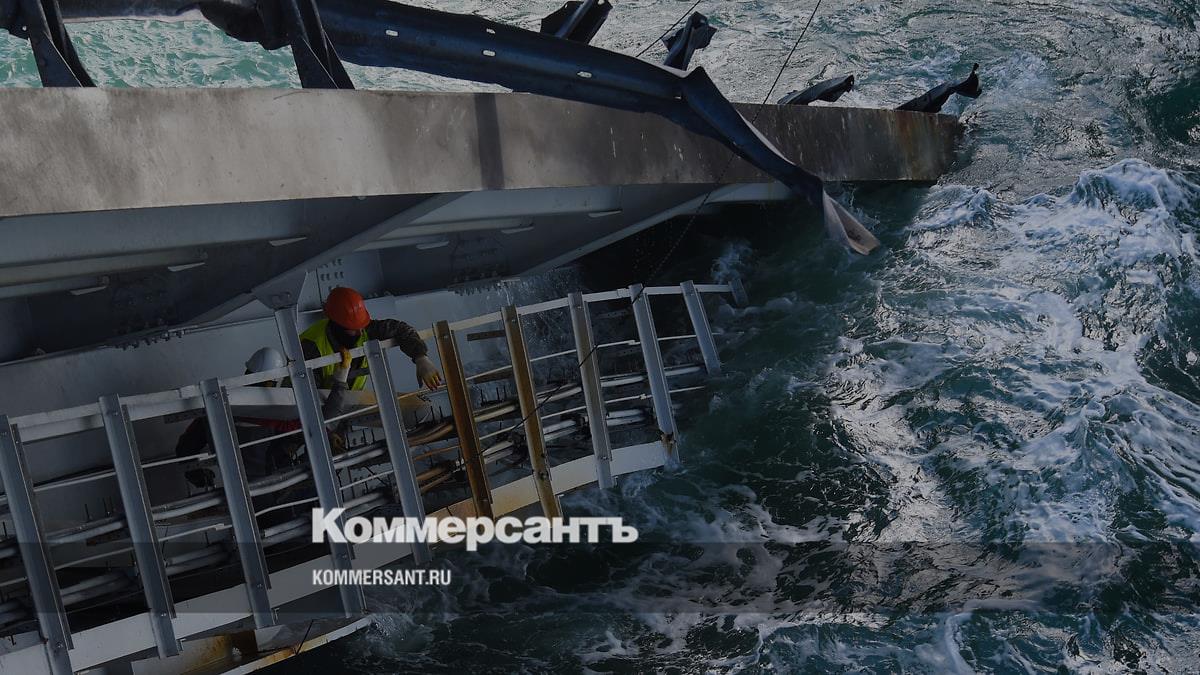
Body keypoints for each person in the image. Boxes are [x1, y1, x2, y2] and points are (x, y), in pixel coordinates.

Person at [299, 286, 442, 392]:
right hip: (325, 410)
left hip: (351, 403)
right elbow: (313, 401)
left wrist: (421, 358)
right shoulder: (311, 346)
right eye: (353, 328)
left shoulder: (366, 329)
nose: (360, 332)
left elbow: (401, 329)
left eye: (361, 326)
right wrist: (339, 382)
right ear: (336, 325)